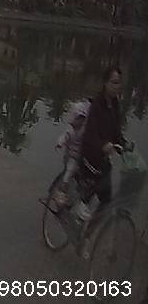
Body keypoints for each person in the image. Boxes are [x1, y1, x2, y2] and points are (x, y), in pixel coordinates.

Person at [75, 67, 126, 220]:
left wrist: (124, 144)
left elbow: (116, 131)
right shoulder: (97, 104)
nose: (117, 86)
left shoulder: (115, 105)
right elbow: (90, 133)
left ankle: (91, 230)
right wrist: (103, 145)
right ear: (105, 83)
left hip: (103, 158)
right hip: (90, 156)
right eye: (113, 82)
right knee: (97, 186)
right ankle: (81, 206)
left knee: (106, 200)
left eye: (119, 83)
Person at [51, 99, 90, 209]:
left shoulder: (85, 130)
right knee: (69, 171)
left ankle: (73, 195)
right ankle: (61, 191)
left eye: (82, 119)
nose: (80, 121)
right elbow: (64, 136)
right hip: (71, 155)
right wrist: (60, 143)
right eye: (78, 118)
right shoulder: (71, 130)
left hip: (80, 156)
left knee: (79, 175)